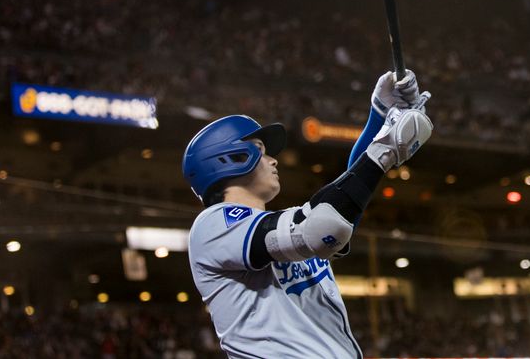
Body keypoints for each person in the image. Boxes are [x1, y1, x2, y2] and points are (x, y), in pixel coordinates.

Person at [182, 70, 433, 359]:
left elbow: (341, 212)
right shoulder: (211, 225)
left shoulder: (284, 226)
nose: (272, 159)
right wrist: (385, 150)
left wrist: (380, 115)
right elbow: (321, 227)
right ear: (230, 158)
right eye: (261, 151)